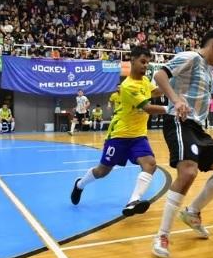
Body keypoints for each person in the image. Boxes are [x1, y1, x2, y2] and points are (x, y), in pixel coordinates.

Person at [151, 30, 213, 258]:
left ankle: (192, 212)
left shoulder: (208, 71)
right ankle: (162, 235)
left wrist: (165, 93)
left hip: (198, 128)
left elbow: (164, 86)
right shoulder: (191, 57)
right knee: (188, 172)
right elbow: (160, 74)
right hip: (179, 123)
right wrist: (175, 100)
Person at [70, 47, 166, 216]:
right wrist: (173, 107)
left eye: (147, 63)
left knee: (150, 164)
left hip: (138, 136)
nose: (145, 66)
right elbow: (149, 108)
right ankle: (80, 185)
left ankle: (133, 201)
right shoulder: (127, 86)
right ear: (132, 61)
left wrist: (171, 85)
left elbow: (155, 91)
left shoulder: (144, 81)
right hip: (119, 135)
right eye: (142, 62)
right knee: (102, 171)